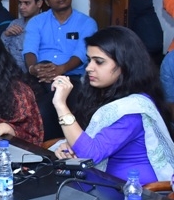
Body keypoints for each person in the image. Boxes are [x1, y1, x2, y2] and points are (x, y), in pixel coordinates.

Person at [51, 27, 174, 184]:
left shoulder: (133, 109)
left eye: (99, 62)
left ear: (124, 64)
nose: (89, 68)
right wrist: (70, 146)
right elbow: (89, 140)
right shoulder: (101, 94)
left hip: (135, 191)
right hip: (103, 181)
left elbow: (90, 155)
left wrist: (61, 105)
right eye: (89, 60)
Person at [24, 0, 97, 85]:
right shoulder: (36, 22)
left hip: (71, 77)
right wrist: (32, 68)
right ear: (47, 2)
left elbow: (82, 53)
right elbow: (30, 49)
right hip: (39, 76)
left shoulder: (87, 23)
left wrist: (61, 69)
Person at [1, 0, 45, 71]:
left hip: (27, 72)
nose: (21, 7)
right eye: (20, 3)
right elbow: (0, 49)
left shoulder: (45, 25)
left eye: (27, 3)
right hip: (7, 69)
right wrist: (6, 34)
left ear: (39, 3)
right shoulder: (15, 23)